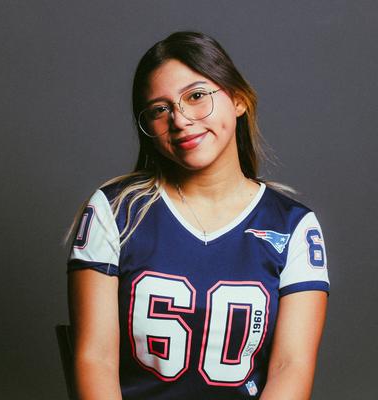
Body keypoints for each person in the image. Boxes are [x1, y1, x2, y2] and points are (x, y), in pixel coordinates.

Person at [65, 30, 329, 400]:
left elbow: (292, 366)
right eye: (160, 109)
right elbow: (96, 359)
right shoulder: (115, 211)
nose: (180, 119)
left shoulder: (293, 226)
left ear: (238, 99)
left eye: (196, 96)